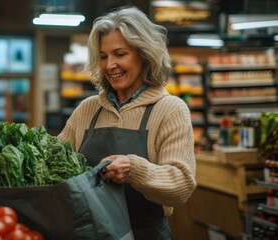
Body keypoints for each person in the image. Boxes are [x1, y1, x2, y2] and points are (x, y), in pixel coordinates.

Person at [57, 6, 196, 240]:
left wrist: (134, 169)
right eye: (103, 56)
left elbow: (180, 186)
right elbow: (55, 162)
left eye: (120, 54)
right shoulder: (88, 109)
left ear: (144, 54)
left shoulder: (170, 110)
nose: (110, 65)